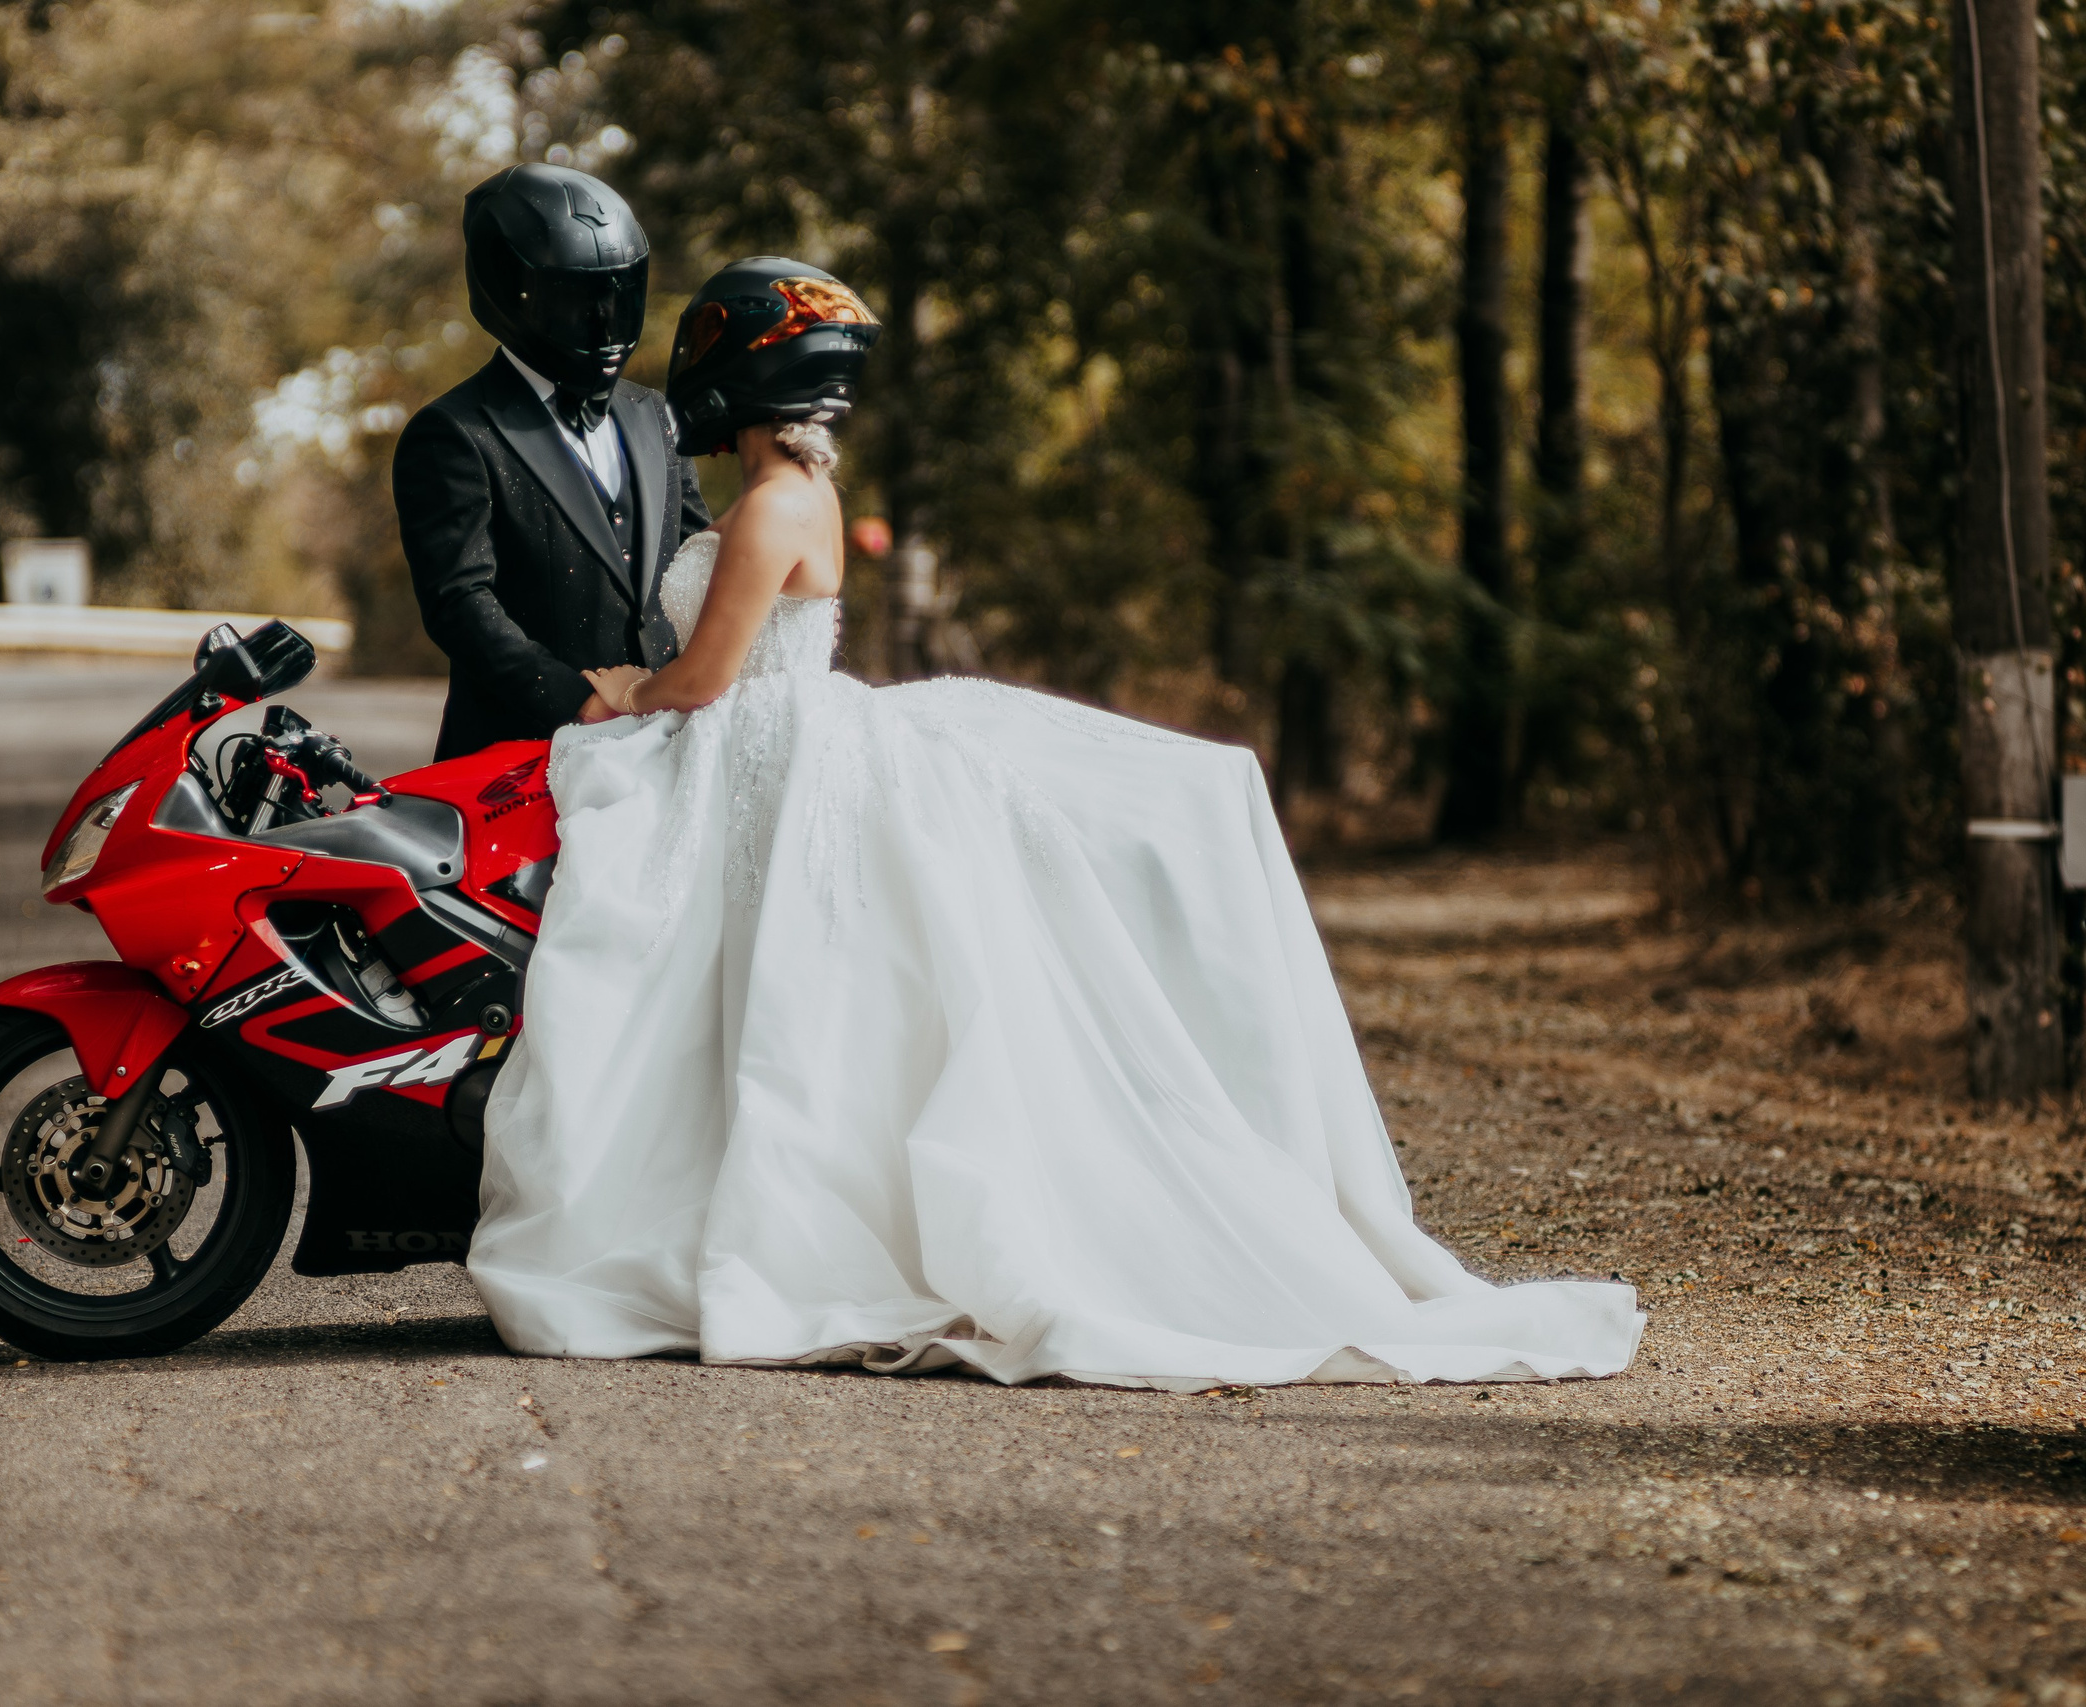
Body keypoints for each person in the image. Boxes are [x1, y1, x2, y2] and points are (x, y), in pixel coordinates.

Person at [467, 256, 1644, 1390]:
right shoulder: (810, 493)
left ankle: (738, 1222)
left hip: (759, 748)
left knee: (736, 988)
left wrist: (617, 694)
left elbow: (707, 677)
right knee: (794, 998)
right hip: (791, 754)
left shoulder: (772, 506)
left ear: (741, 379)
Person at [394, 164, 713, 761]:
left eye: (622, 294)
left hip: (665, 748)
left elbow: (699, 560)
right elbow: (461, 603)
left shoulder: (654, 415)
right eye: (581, 300)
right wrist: (577, 701)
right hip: (517, 762)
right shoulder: (453, 433)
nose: (608, 323)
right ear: (510, 289)